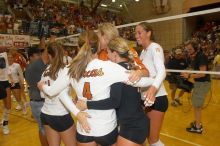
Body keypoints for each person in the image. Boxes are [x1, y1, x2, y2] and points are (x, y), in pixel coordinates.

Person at [38, 30, 153, 146]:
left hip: (84, 128)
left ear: (78, 47)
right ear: (98, 46)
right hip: (105, 128)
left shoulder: (70, 68)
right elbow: (145, 82)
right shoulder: (108, 67)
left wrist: (77, 113)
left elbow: (55, 92)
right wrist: (141, 74)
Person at [76, 37, 151, 146]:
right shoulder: (130, 67)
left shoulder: (116, 71)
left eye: (108, 52)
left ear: (115, 54)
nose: (106, 55)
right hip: (134, 121)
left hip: (133, 125)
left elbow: (114, 101)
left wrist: (87, 104)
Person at [40, 42, 90, 146]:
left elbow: (42, 95)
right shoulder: (66, 69)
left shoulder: (45, 71)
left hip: (46, 114)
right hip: (60, 114)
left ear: (49, 55)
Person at [134, 22, 168, 146]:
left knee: (153, 140)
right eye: (135, 33)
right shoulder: (142, 53)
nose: (136, 35)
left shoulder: (155, 47)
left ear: (149, 33)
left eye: (139, 32)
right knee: (145, 137)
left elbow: (162, 71)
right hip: (145, 99)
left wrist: (153, 89)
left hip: (157, 98)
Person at [182, 40, 211, 134]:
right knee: (196, 105)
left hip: (202, 84)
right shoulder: (194, 57)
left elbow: (202, 73)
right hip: (199, 84)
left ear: (195, 48)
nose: (188, 51)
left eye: (190, 49)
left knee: (197, 106)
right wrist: (188, 72)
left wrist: (189, 76)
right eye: (187, 49)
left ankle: (198, 127)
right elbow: (196, 70)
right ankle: (197, 123)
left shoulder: (201, 56)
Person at [25, 47, 49, 146]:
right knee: (44, 129)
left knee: (43, 128)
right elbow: (46, 52)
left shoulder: (34, 67)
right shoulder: (34, 67)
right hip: (39, 102)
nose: (39, 57)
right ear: (30, 57)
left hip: (38, 101)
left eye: (39, 54)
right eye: (37, 55)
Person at [0, 50, 13, 135]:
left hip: (5, 81)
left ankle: (5, 123)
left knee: (8, 105)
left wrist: (10, 77)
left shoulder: (3, 54)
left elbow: (7, 67)